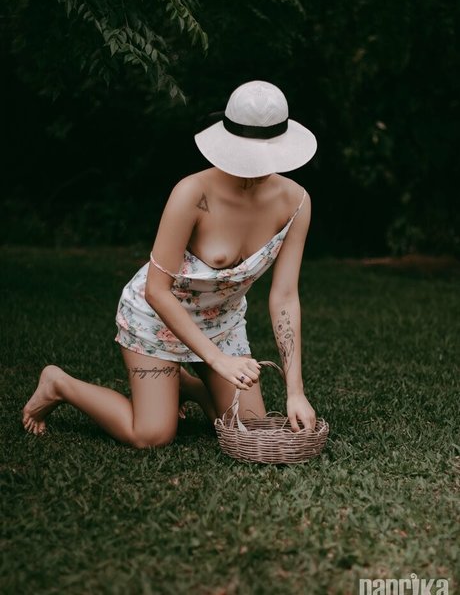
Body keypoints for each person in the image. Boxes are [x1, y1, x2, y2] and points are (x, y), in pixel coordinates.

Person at [22, 80, 318, 448]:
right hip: (157, 318)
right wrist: (217, 361)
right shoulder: (192, 193)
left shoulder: (296, 202)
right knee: (152, 435)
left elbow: (285, 296)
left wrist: (295, 391)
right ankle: (59, 383)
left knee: (251, 427)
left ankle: (183, 384)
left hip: (221, 324)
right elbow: (156, 291)